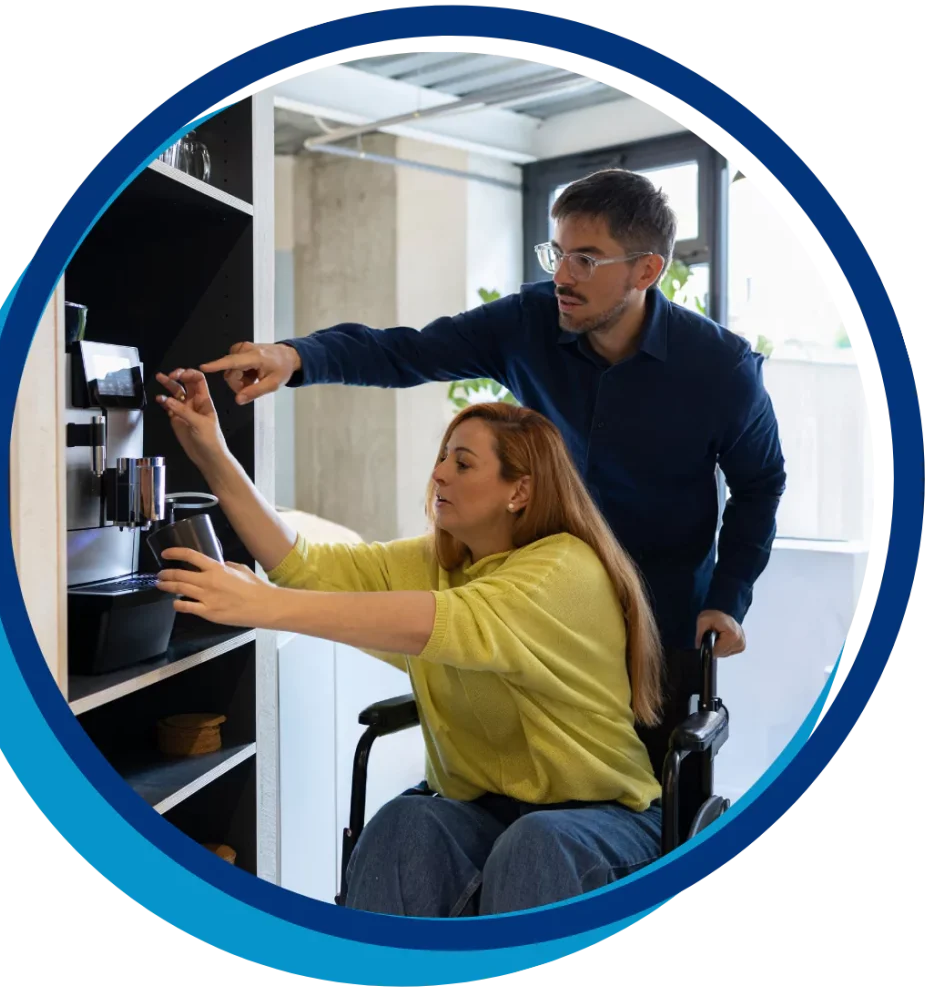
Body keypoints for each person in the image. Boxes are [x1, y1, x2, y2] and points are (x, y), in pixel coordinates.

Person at [197, 167, 787, 787]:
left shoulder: (722, 369)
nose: (562, 275)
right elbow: (407, 351)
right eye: (557, 252)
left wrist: (729, 598)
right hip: (539, 605)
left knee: (647, 807)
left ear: (647, 271)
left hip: (660, 623)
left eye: (587, 259)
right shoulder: (531, 320)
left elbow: (760, 485)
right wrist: (295, 358)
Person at [153, 367, 668, 916]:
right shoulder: (436, 561)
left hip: (603, 823)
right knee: (403, 825)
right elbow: (302, 565)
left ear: (520, 490)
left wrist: (263, 607)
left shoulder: (563, 569)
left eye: (462, 463)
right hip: (485, 815)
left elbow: (445, 619)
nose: (439, 474)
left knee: (534, 844)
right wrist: (211, 451)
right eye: (443, 457)